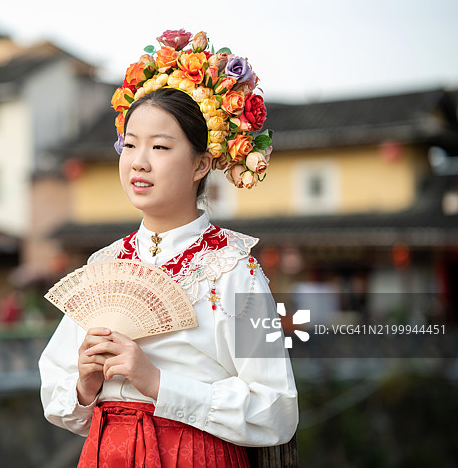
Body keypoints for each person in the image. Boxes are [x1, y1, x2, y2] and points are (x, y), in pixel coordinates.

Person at [38, 29, 298, 467]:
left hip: (193, 454)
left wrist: (157, 382)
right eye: (131, 145)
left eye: (160, 146)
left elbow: (276, 408)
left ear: (201, 163)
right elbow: (57, 394)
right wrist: (84, 384)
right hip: (106, 453)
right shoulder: (105, 265)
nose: (139, 161)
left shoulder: (233, 270)